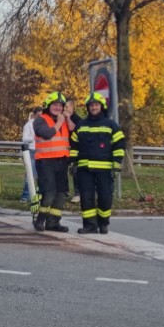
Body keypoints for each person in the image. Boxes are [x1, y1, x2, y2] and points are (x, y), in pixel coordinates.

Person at [70, 92, 125, 234]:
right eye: (91, 105)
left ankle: (103, 223)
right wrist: (73, 163)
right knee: (86, 197)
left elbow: (119, 144)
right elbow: (74, 145)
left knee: (105, 197)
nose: (94, 107)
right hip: (84, 168)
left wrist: (117, 164)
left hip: (104, 168)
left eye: (96, 105)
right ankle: (90, 226)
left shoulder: (111, 125)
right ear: (88, 107)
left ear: (102, 106)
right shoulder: (81, 125)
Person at [31, 91, 77, 232]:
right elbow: (46, 134)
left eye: (60, 106)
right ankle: (40, 220)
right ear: (48, 106)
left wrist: (67, 119)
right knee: (49, 192)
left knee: (61, 193)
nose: (57, 108)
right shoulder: (40, 119)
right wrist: (59, 122)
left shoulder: (62, 120)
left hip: (61, 161)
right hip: (45, 162)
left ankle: (53, 222)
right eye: (54, 105)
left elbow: (74, 130)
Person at [19, 107, 38, 202]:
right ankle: (25, 196)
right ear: (34, 114)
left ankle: (37, 195)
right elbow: (24, 139)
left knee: (39, 175)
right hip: (31, 150)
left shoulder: (42, 124)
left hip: (40, 150)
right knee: (30, 174)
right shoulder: (28, 125)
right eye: (38, 115)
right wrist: (33, 138)